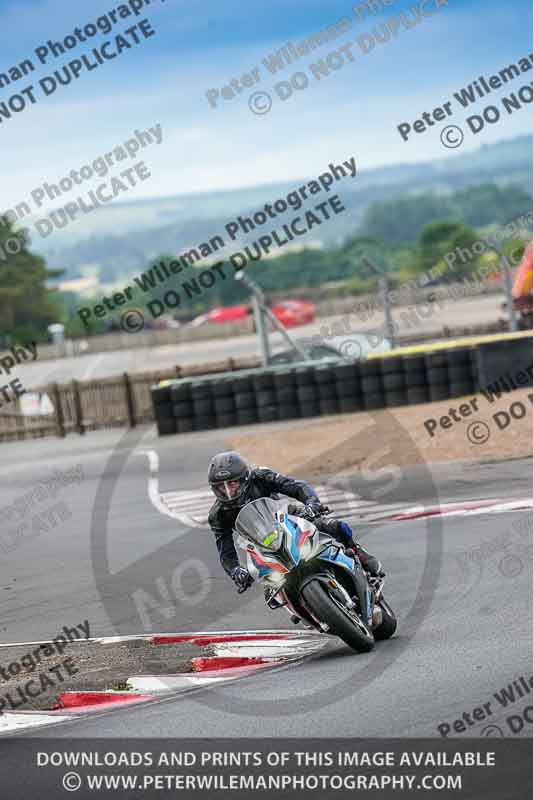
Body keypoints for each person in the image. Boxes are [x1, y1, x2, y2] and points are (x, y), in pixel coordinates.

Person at [207, 450, 384, 593]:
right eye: (221, 487)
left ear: (244, 478)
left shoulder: (260, 477)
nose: (228, 491)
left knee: (334, 526)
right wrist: (236, 571)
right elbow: (225, 550)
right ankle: (299, 607)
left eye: (232, 484)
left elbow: (296, 486)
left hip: (285, 517)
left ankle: (357, 552)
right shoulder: (218, 514)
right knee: (271, 589)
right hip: (260, 544)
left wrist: (312, 504)